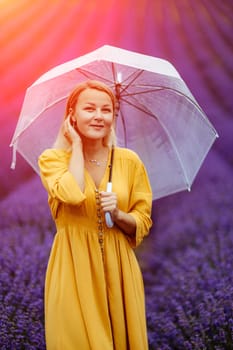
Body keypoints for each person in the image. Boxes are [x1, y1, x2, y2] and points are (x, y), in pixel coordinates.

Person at [38, 80, 152, 350]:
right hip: (73, 265)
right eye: (89, 109)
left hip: (120, 266)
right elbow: (72, 194)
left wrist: (119, 213)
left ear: (114, 116)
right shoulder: (53, 160)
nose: (99, 116)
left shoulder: (129, 161)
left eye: (107, 110)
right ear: (72, 115)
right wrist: (75, 146)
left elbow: (143, 220)